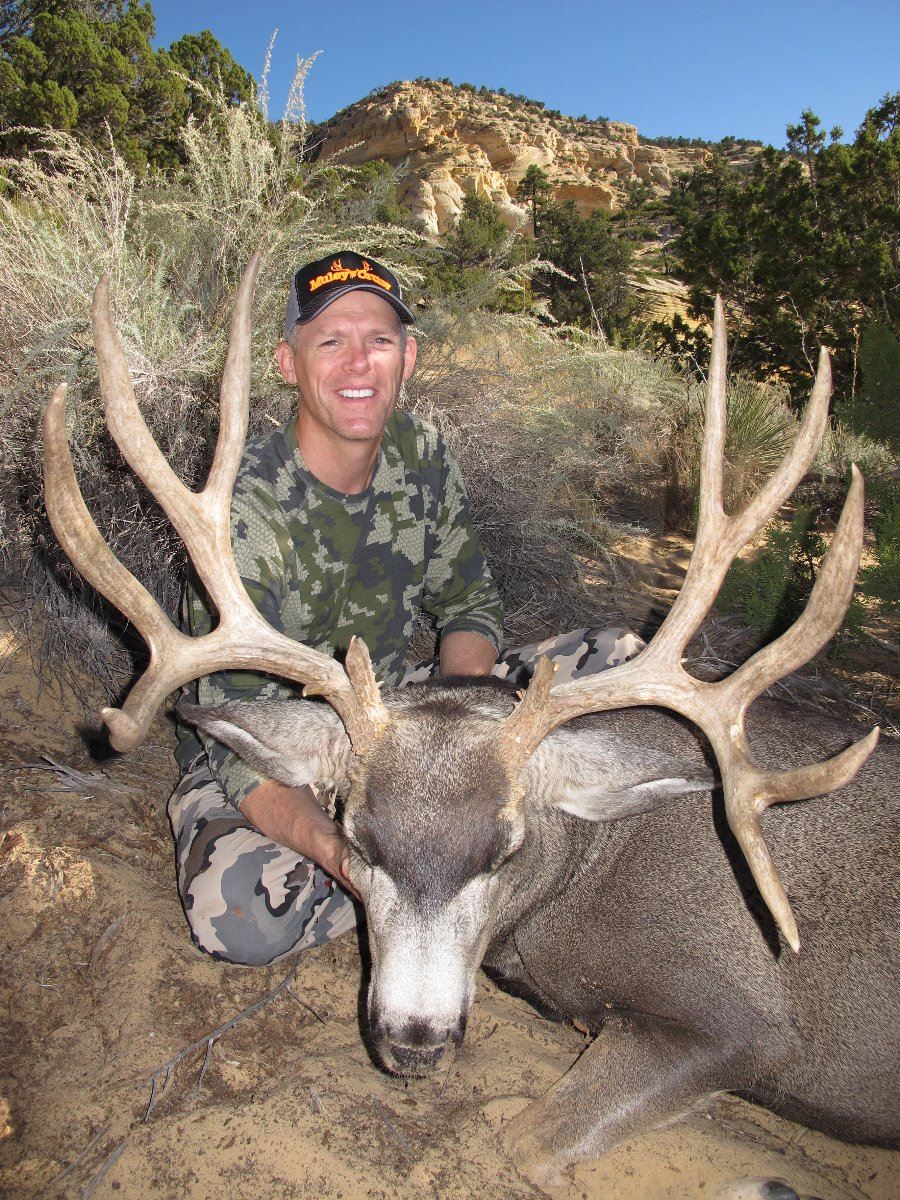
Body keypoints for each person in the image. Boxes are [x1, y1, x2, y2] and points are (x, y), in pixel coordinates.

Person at [170, 251, 644, 967]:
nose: (359, 363)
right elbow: (238, 742)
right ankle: (472, 873)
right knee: (240, 918)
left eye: (380, 340)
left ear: (407, 358)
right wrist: (345, 857)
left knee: (617, 659)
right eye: (331, 341)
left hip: (408, 722)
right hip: (274, 746)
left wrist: (468, 741)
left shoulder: (419, 453)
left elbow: (469, 604)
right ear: (288, 363)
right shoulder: (243, 510)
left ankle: (465, 857)